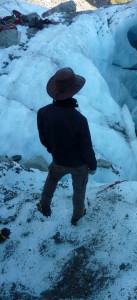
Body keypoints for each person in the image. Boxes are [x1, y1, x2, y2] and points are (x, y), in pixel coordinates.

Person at [37, 67, 97, 225]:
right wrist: (92, 165)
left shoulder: (43, 112)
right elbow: (86, 147)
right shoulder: (79, 119)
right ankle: (77, 216)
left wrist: (53, 150)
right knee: (79, 190)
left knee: (51, 180)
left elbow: (43, 138)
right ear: (73, 91)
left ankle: (44, 206)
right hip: (78, 165)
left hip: (58, 159)